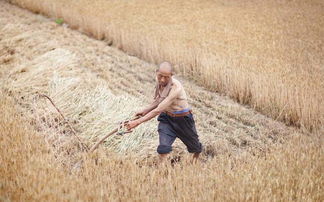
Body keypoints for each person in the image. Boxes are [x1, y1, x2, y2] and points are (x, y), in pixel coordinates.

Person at [126, 61, 202, 163]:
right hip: (167, 119)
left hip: (183, 120)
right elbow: (158, 100)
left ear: (171, 75)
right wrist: (145, 110)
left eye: (166, 77)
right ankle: (162, 169)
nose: (162, 79)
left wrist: (137, 122)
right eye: (160, 76)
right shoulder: (159, 81)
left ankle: (194, 163)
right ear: (156, 72)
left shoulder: (176, 87)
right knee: (163, 148)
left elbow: (159, 109)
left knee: (195, 147)